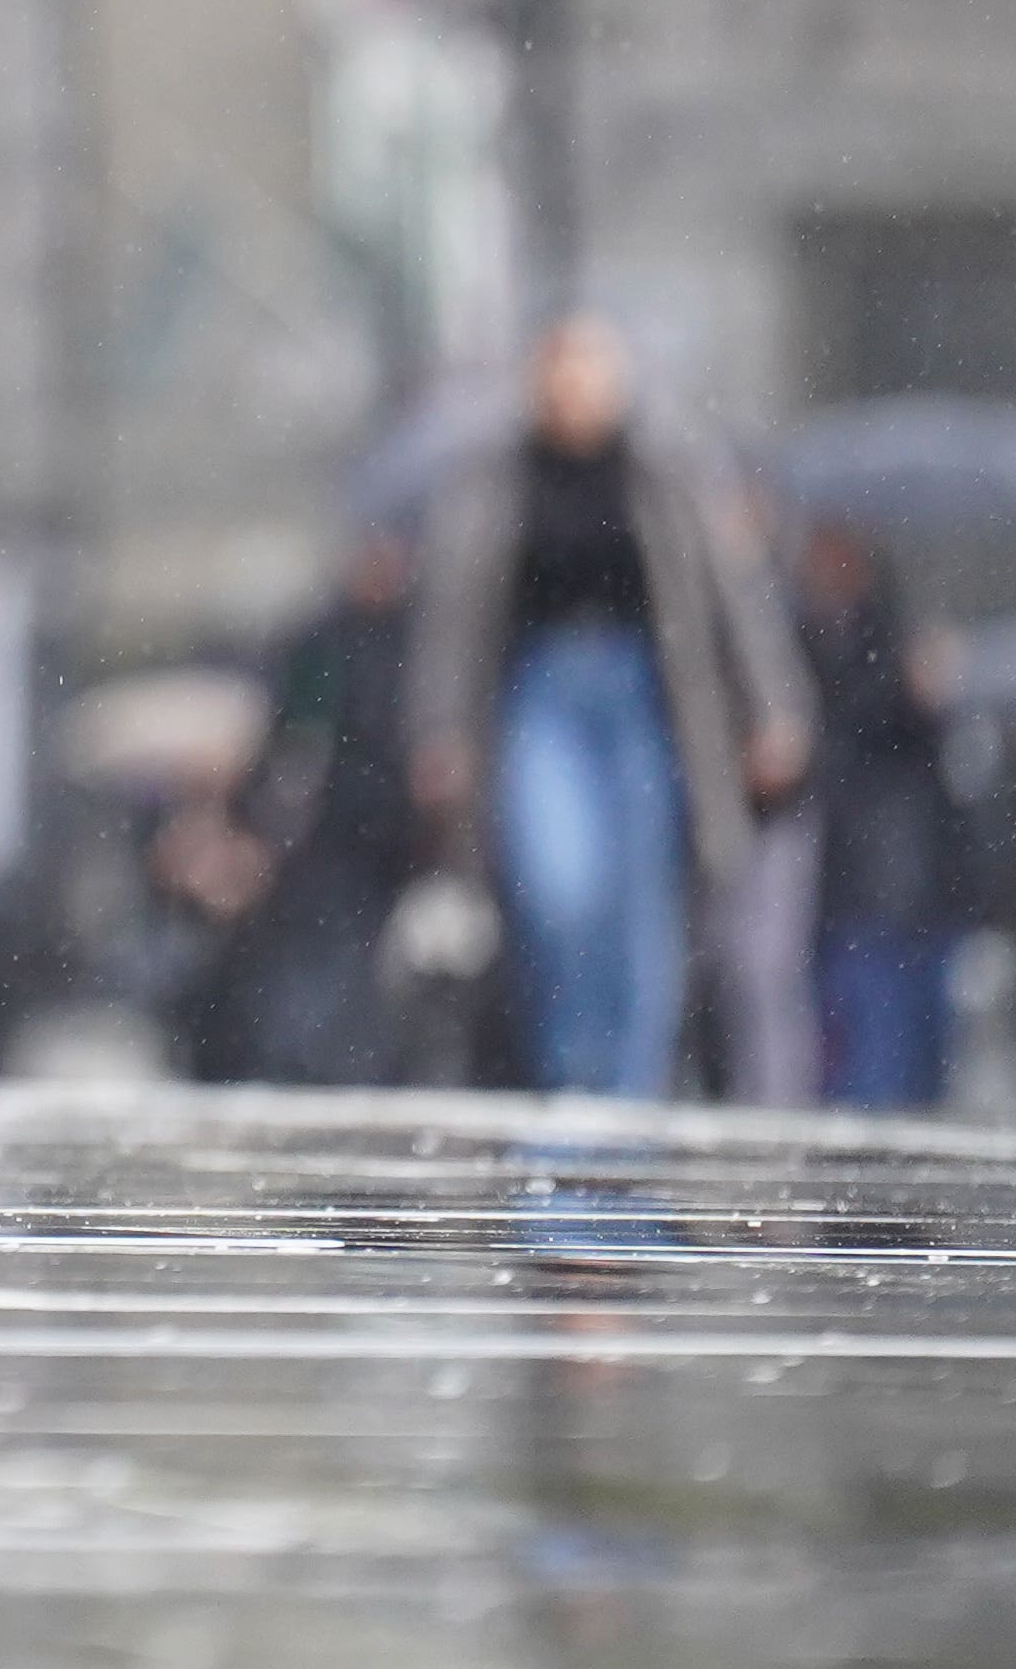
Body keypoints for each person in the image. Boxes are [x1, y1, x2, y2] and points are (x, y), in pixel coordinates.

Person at [404, 312, 810, 1104]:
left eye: (593, 370)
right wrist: (439, 730)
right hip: (539, 695)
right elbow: (451, 617)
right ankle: (571, 1071)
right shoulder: (498, 477)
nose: (577, 388)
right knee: (554, 887)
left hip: (646, 699)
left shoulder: (665, 470)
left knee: (643, 900)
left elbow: (734, 598)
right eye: (563, 370)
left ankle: (633, 1083)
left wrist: (773, 706)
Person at [168, 522, 438, 1088]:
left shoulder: (421, 642)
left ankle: (346, 1069)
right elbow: (284, 740)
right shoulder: (323, 642)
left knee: (363, 973)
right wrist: (250, 825)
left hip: (391, 837)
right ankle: (313, 1069)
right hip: (324, 839)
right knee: (319, 971)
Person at [787, 517, 967, 1111]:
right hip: (850, 871)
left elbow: (936, 751)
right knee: (863, 1050)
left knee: (907, 1053)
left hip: (909, 871)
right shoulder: (807, 636)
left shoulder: (894, 636)